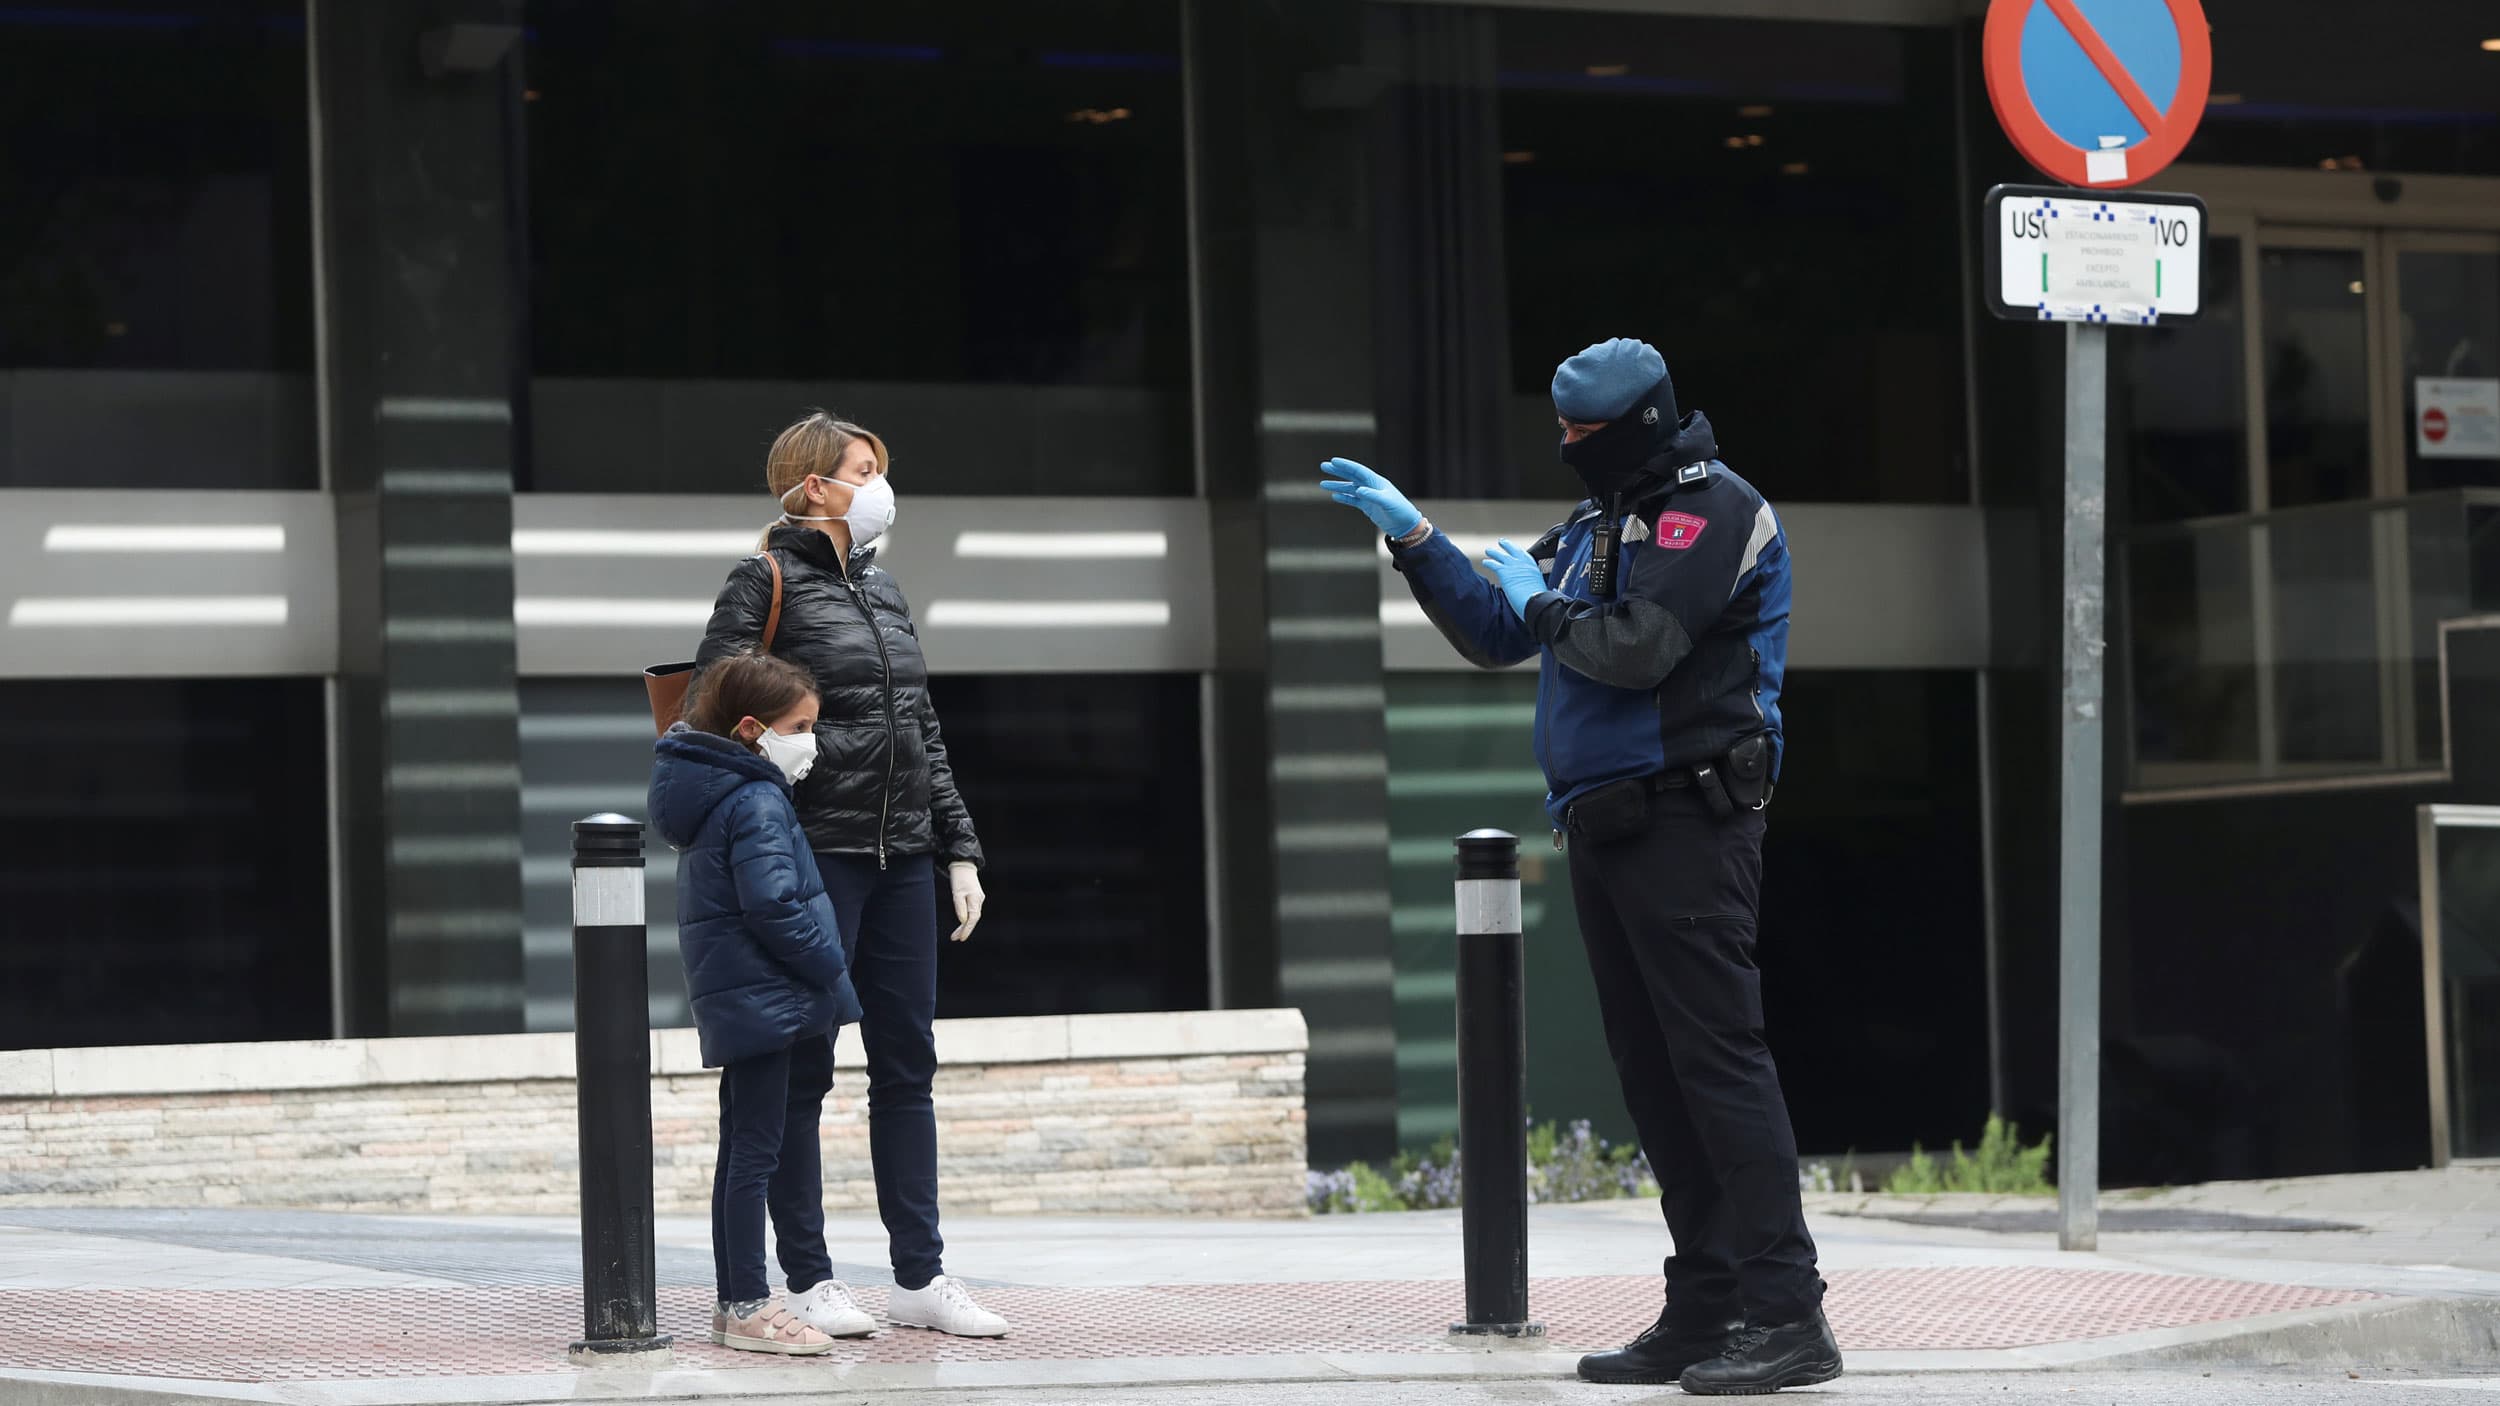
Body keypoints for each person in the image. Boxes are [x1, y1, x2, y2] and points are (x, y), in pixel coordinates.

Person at [1322, 339, 1840, 1396]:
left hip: (1689, 821)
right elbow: (1495, 632)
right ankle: (1704, 1306)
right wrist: (1417, 539)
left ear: (1636, 426)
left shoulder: (1715, 511)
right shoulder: (1602, 519)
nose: (1565, 448)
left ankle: (1789, 1313)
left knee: (1718, 1066)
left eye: (1582, 434)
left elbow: (1636, 646)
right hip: (1606, 828)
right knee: (1654, 1079)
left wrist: (1544, 604)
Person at [697, 410, 1007, 1338]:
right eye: (860, 470)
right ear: (810, 486)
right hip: (812, 853)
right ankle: (809, 1277)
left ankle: (921, 1275)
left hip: (903, 856)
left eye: (878, 467)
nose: (878, 485)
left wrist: (958, 846)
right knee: (804, 1073)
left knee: (907, 1065)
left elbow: (922, 728)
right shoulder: (764, 579)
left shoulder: (884, 589)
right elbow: (721, 707)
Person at [648, 650, 866, 1355]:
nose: (812, 740)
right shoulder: (757, 798)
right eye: (801, 725)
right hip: (770, 1001)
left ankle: (734, 1302)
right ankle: (745, 1306)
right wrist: (832, 965)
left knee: (742, 1153)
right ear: (750, 728)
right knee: (755, 1156)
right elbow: (773, 905)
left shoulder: (717, 792)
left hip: (747, 999)